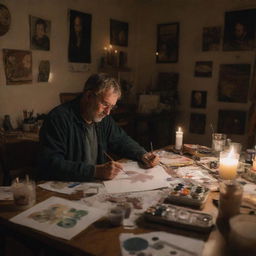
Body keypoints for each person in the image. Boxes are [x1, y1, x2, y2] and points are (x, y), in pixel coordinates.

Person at [38, 73, 159, 181]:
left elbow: (122, 140)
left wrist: (142, 154)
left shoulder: (103, 119)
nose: (108, 112)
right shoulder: (58, 119)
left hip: (93, 184)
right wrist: (95, 171)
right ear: (89, 96)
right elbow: (51, 163)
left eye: (112, 107)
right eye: (105, 104)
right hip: (65, 188)